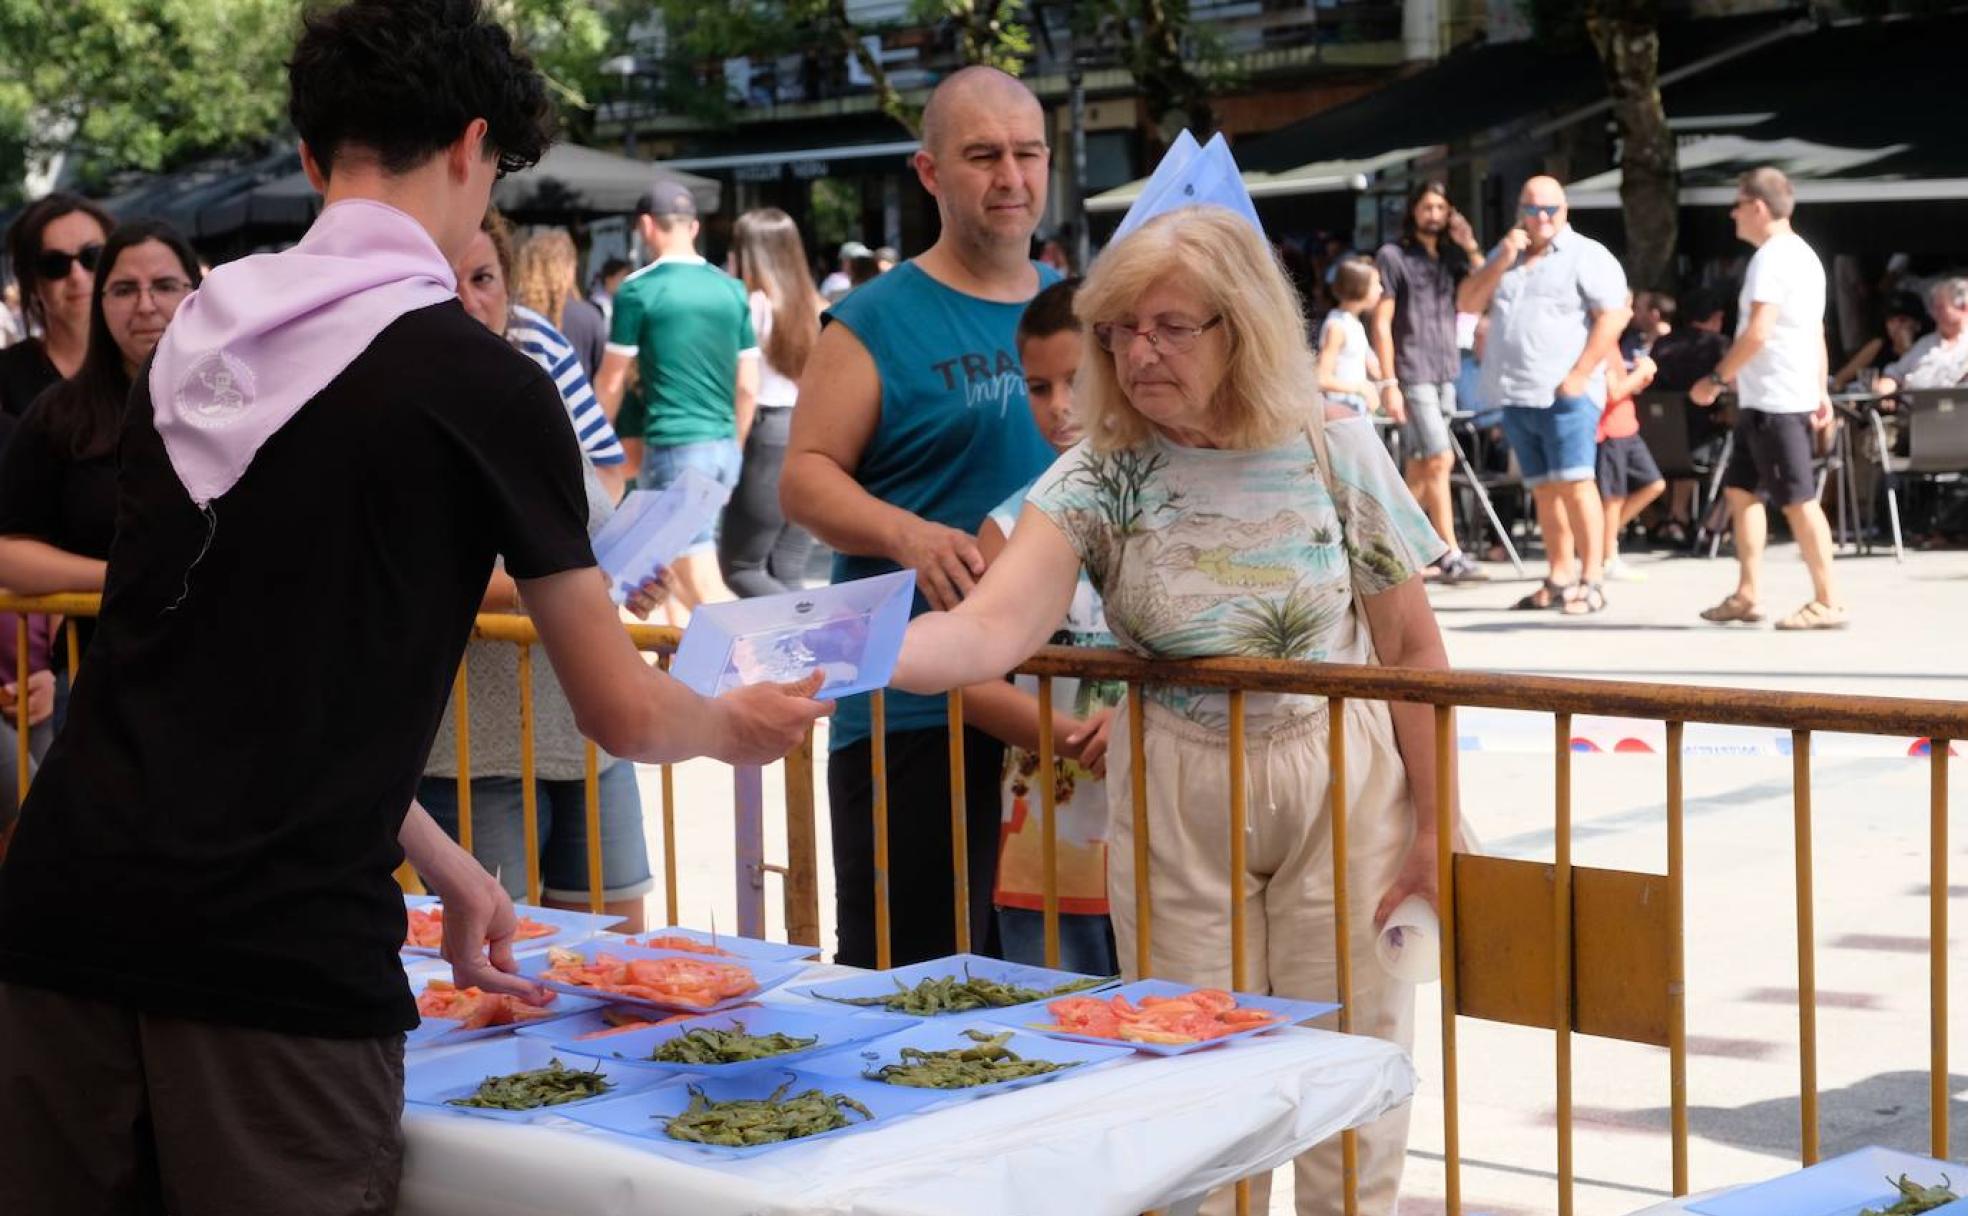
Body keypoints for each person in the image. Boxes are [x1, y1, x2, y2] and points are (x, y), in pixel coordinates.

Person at [0, 5, 826, 1212]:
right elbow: (623, 710)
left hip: (65, 909)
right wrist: (732, 725)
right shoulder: (483, 383)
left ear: (309, 159)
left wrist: (442, 861)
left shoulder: (190, 349)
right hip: (272, 958)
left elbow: (217, 670)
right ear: (471, 148)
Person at [891, 205, 1457, 1216]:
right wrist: (841, 655)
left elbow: (1414, 650)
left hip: (1344, 779)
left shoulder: (1336, 448)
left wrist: (1434, 827)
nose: (1137, 352)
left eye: (1168, 326)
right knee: (1192, 1084)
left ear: (1238, 327)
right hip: (1177, 784)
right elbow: (988, 631)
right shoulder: (1100, 472)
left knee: (1353, 1086)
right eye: (1119, 331)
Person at [781, 64, 1061, 968]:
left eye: (1027, 154)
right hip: (915, 724)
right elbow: (805, 478)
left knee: (1053, 1004)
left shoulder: (1081, 309)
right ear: (931, 172)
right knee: (918, 999)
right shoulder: (872, 321)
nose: (1011, 178)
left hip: (1059, 716)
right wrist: (908, 533)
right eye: (983, 156)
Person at [422, 206, 654, 930]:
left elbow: (595, 516)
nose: (468, 297)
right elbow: (420, 570)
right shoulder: (395, 405)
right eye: (443, 279)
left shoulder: (537, 383)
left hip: (585, 724)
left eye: (484, 277)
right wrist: (568, 584)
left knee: (617, 952)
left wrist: (636, 565)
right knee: (502, 960)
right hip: (469, 741)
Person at [967, 277, 1119, 975]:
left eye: (1076, 380)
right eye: (1038, 387)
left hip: (1183, 838)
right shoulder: (1007, 526)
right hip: (1050, 845)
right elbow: (975, 686)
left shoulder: (1182, 506)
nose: (1059, 407)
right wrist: (1079, 741)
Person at [0, 220, 204, 623]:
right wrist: (122, 576)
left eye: (165, 286)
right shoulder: (58, 413)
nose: (145, 305)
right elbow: (9, 552)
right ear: (102, 302)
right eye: (125, 290)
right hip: (101, 660)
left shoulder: (247, 396)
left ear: (196, 294)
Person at [1460, 175, 1631, 615]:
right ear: (1520, 210)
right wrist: (1500, 259)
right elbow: (1467, 301)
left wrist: (1581, 372)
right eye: (1533, 209)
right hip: (1517, 392)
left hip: (1566, 391)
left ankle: (1592, 579)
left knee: (1576, 483)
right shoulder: (1510, 258)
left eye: (1550, 209)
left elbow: (1614, 315)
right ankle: (1558, 575)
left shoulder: (1586, 255)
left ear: (1565, 209)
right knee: (1543, 490)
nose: (1541, 218)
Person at [593, 181, 758, 618]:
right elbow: (749, 385)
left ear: (646, 226)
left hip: (675, 448)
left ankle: (771, 668)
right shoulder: (731, 288)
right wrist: (735, 446)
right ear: (695, 226)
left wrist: (588, 450)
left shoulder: (637, 289)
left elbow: (611, 381)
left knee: (696, 583)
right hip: (723, 446)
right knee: (664, 580)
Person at [1690, 167, 1845, 630]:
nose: (1732, 214)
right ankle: (1748, 592)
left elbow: (1759, 331)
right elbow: (1813, 329)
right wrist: (1821, 388)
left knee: (1798, 499)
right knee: (1741, 492)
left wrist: (1716, 379)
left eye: (1737, 204)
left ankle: (1829, 599)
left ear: (1758, 206)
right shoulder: (1804, 255)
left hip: (1777, 400)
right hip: (1775, 397)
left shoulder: (1772, 259)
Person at [1373, 181, 1489, 582]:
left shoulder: (1450, 258)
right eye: (1427, 207)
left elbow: (1481, 292)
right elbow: (1382, 321)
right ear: (1413, 210)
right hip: (1412, 367)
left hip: (1445, 367)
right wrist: (1388, 381)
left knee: (1424, 463)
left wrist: (1470, 243)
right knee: (1440, 457)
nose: (1434, 215)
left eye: (1441, 207)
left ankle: (1392, 544)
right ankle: (1448, 550)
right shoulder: (1392, 256)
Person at [718, 207, 822, 598]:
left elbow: (744, 387)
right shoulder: (817, 306)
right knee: (787, 566)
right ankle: (807, 652)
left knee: (741, 568)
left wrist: (733, 446)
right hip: (810, 431)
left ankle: (816, 638)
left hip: (766, 431)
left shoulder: (750, 306)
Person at [0, 193, 113, 417]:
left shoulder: (153, 361)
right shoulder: (6, 379)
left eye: (93, 256)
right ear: (30, 281)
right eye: (54, 264)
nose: (77, 276)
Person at [1649, 287, 1731, 544]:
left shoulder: (1663, 344)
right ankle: (1709, 522)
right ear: (1716, 317)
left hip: (1659, 440)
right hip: (1701, 441)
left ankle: (1674, 516)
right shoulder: (1720, 346)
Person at [1596, 325, 1663, 582]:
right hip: (1610, 429)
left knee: (1654, 484)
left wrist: (1638, 379)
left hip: (1627, 426)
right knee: (1613, 498)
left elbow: (1620, 387)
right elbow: (1612, 392)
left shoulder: (1613, 343)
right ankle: (1607, 556)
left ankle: (1600, 537)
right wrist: (1643, 372)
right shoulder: (1600, 343)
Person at [513, 228, 607, 378]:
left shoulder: (515, 316)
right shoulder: (589, 316)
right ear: (570, 268)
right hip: (576, 398)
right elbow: (600, 373)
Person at [1317, 256, 1386, 418]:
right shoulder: (1337, 326)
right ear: (1359, 287)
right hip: (1342, 414)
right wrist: (1360, 388)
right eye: (1376, 283)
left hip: (1356, 411)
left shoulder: (1353, 322)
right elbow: (1322, 378)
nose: (1381, 289)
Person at [1832, 290, 1924, 391]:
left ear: (1917, 325)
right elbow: (1841, 377)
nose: (1896, 326)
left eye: (1903, 320)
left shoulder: (1923, 348)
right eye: (1891, 320)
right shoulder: (1878, 345)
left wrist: (1907, 349)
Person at [589, 255, 630, 321]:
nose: (627, 282)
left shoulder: (622, 302)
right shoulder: (596, 305)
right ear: (609, 279)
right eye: (623, 277)